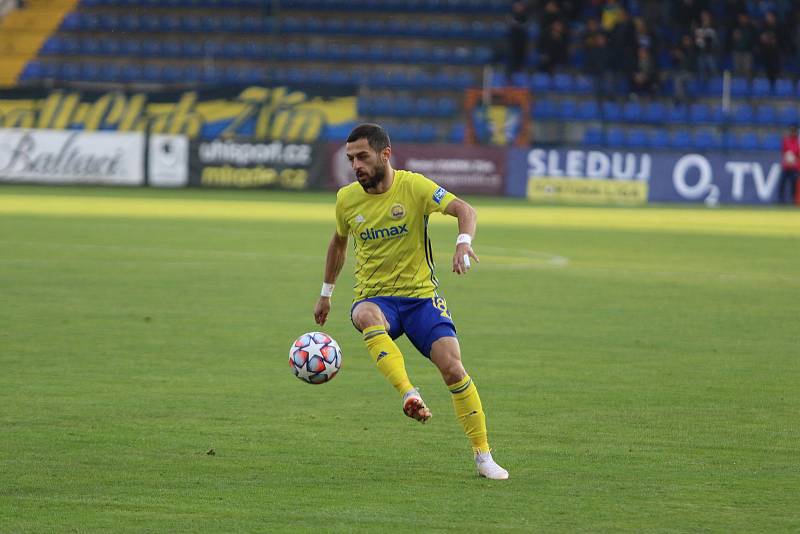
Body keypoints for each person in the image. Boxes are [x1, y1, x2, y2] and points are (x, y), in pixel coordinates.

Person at [313, 123, 509, 480]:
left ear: (385, 154)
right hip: (376, 298)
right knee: (367, 314)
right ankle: (409, 394)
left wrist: (463, 241)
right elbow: (338, 243)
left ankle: (483, 456)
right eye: (350, 158)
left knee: (453, 368)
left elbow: (465, 209)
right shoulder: (346, 200)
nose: (355, 165)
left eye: (362, 157)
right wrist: (326, 293)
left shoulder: (414, 186)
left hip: (420, 300)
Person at [778, 124, 799, 204]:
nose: (793, 133)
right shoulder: (786, 140)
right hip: (786, 166)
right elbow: (783, 152)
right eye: (792, 131)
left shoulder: (798, 142)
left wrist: (795, 159)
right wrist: (788, 157)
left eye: (794, 131)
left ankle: (794, 200)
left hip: (795, 167)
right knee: (782, 182)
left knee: (794, 184)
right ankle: (781, 199)